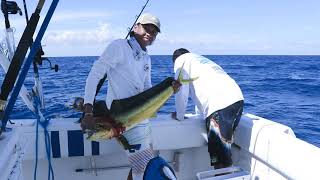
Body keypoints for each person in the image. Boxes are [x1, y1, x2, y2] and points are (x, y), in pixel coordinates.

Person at [81, 13, 164, 180]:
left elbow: (147, 88)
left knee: (142, 166)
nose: (150, 33)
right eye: (146, 28)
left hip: (142, 119)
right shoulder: (119, 46)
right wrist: (88, 111)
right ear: (135, 27)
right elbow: (94, 75)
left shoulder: (146, 57)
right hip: (123, 119)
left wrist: (168, 91)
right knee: (144, 166)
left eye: (154, 32)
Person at [171, 48, 244, 169]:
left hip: (220, 106)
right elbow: (201, 89)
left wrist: (179, 116)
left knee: (220, 159)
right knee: (223, 152)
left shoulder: (180, 60)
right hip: (237, 101)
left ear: (175, 60)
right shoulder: (200, 60)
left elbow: (181, 90)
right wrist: (201, 114)